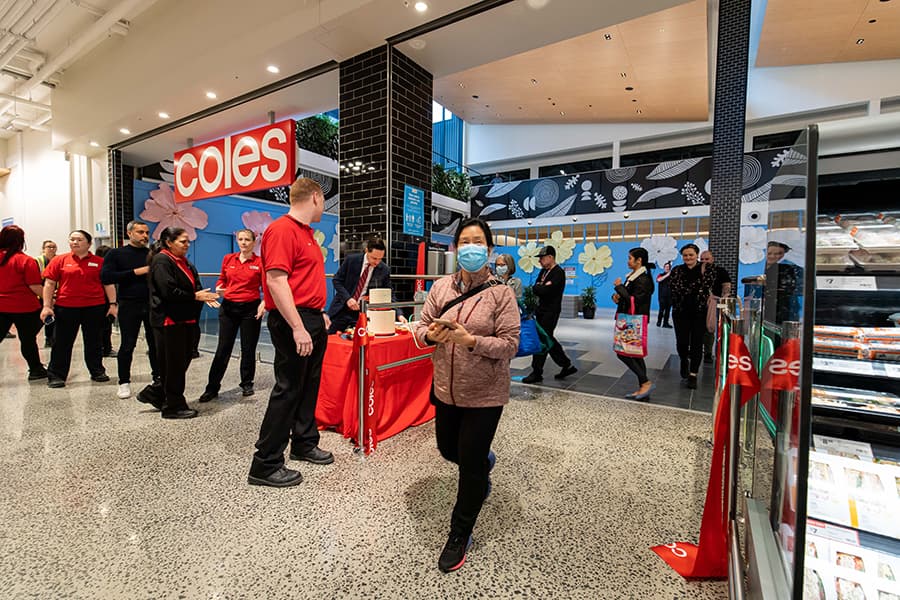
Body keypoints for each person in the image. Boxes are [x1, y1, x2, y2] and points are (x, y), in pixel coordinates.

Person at [413, 217, 519, 573]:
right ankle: (483, 463)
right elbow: (419, 324)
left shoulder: (501, 294)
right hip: (445, 387)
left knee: (469, 463)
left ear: (488, 250)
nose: (470, 247)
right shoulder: (440, 288)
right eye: (464, 242)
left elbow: (510, 345)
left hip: (485, 394)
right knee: (448, 450)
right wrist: (430, 336)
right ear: (456, 248)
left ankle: (460, 532)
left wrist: (470, 341)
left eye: (478, 242)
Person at [248, 178, 334, 488]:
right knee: (288, 389)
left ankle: (304, 442)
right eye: (323, 200)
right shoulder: (282, 230)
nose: (324, 206)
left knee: (308, 386)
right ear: (315, 196)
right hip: (292, 321)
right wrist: (298, 326)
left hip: (311, 317)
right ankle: (265, 463)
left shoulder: (306, 234)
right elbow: (275, 281)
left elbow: (303, 280)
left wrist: (319, 314)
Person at [148, 227, 219, 419]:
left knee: (182, 360)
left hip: (185, 319)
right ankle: (173, 406)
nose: (187, 245)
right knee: (173, 365)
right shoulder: (162, 260)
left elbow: (194, 284)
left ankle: (157, 393)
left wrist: (203, 296)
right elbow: (168, 291)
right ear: (169, 242)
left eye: (188, 241)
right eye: (182, 241)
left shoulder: (184, 262)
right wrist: (195, 296)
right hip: (169, 320)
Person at [40, 230, 117, 388]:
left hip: (94, 307)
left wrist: (113, 304)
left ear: (89, 244)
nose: (75, 242)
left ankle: (97, 371)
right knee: (62, 342)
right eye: (72, 239)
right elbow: (49, 284)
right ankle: (56, 375)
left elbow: (108, 284)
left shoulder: (99, 262)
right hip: (66, 308)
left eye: (79, 240)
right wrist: (46, 306)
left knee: (94, 341)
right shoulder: (59, 260)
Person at [198, 229, 265, 402]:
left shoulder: (260, 262)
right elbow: (222, 280)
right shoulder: (228, 259)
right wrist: (220, 288)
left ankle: (247, 383)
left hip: (250, 308)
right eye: (240, 239)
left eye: (247, 239)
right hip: (228, 308)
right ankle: (212, 387)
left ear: (254, 242)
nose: (243, 242)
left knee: (248, 348)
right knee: (223, 348)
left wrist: (264, 304)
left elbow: (266, 287)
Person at [101, 220, 158, 400]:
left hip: (151, 303)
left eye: (146, 232)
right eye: (140, 232)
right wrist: (136, 272)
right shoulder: (116, 254)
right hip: (129, 304)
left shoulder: (153, 254)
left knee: (155, 343)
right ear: (129, 233)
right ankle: (124, 382)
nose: (144, 236)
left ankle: (158, 378)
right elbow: (106, 276)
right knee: (127, 345)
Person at [522, 245, 576, 384]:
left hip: (551, 311)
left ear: (551, 257)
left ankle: (537, 372)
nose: (539, 261)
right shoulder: (543, 271)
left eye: (542, 258)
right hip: (541, 309)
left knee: (543, 339)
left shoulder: (558, 272)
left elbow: (545, 291)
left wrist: (541, 287)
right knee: (548, 338)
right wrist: (541, 287)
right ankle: (566, 364)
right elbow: (536, 288)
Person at [0, 225, 47, 381]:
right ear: (21, 240)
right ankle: (35, 370)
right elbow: (34, 286)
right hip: (25, 307)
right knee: (28, 340)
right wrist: (49, 301)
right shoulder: (25, 260)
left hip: (1, 306)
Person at [669, 243, 717, 389]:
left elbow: (706, 287)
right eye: (685, 255)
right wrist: (694, 290)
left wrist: (688, 291)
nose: (688, 257)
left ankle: (693, 374)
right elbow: (674, 287)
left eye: (691, 254)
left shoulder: (706, 269)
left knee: (697, 343)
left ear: (697, 255)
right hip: (680, 312)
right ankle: (684, 359)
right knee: (682, 342)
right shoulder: (677, 270)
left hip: (699, 313)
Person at [326, 235, 398, 334]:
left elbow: (389, 293)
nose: (377, 262)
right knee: (330, 339)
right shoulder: (351, 260)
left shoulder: (384, 269)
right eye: (374, 258)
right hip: (341, 309)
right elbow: (337, 280)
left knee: (360, 343)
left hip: (362, 313)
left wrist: (399, 314)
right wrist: (348, 298)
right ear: (366, 250)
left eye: (380, 259)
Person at [612, 247, 655, 401]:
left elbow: (634, 300)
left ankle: (645, 382)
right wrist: (617, 295)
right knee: (634, 354)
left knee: (622, 352)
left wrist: (619, 286)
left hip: (634, 321)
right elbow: (627, 297)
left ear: (639, 260)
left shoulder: (643, 279)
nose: (628, 261)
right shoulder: (633, 277)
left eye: (630, 258)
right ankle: (643, 386)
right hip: (629, 319)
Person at [699, 250, 732, 363]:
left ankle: (708, 352)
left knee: (710, 328)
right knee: (697, 328)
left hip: (714, 304)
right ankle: (696, 350)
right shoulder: (697, 271)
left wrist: (723, 300)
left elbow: (726, 287)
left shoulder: (720, 271)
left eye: (707, 259)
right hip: (698, 303)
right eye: (702, 259)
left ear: (712, 259)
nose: (704, 261)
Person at [762, 241, 804, 324]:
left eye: (778, 253)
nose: (772, 256)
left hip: (784, 310)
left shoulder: (789, 269)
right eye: (769, 253)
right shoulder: (757, 268)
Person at [94, 245, 116, 359]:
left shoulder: (100, 265)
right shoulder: (104, 266)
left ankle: (105, 348)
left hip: (103, 300)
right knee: (105, 327)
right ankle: (106, 348)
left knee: (103, 327)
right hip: (104, 300)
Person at [35, 239, 58, 347]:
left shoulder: (58, 260)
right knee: (39, 319)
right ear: (43, 249)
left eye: (54, 247)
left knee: (52, 319)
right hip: (40, 294)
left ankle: (50, 339)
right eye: (49, 247)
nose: (52, 249)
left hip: (56, 295)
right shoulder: (38, 261)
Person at [656, 261, 673, 328]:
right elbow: (658, 280)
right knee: (661, 310)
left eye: (668, 267)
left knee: (668, 311)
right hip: (662, 296)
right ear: (663, 268)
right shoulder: (661, 274)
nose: (667, 268)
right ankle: (659, 322)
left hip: (670, 296)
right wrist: (667, 275)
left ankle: (665, 323)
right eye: (666, 267)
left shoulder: (672, 276)